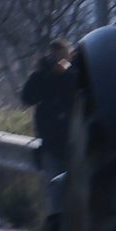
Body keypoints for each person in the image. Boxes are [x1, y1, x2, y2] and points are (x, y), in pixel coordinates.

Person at [20, 40, 80, 175]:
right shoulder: (42, 75)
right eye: (54, 56)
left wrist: (63, 70)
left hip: (75, 140)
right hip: (51, 142)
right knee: (56, 186)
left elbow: (74, 93)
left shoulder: (75, 74)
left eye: (61, 56)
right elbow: (28, 97)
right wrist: (47, 75)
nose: (58, 60)